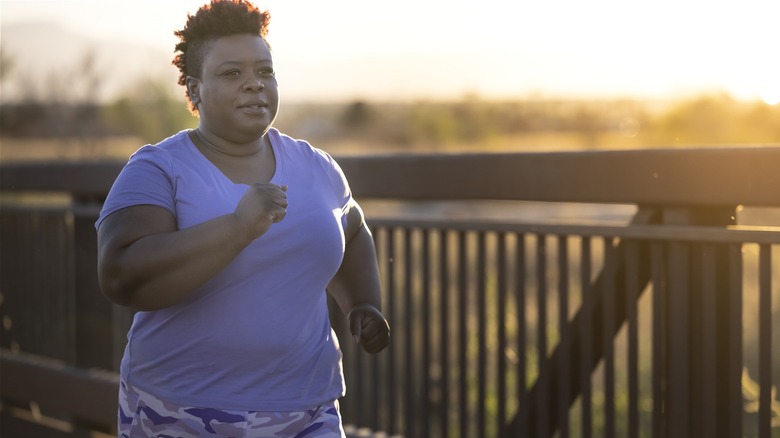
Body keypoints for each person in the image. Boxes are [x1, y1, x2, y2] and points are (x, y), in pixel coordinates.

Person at [95, 0, 390, 436]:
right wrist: (237, 228)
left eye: (264, 71)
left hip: (309, 409)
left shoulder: (316, 166)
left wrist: (362, 303)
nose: (254, 85)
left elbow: (351, 228)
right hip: (181, 412)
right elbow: (120, 273)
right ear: (194, 90)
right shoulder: (158, 168)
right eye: (232, 73)